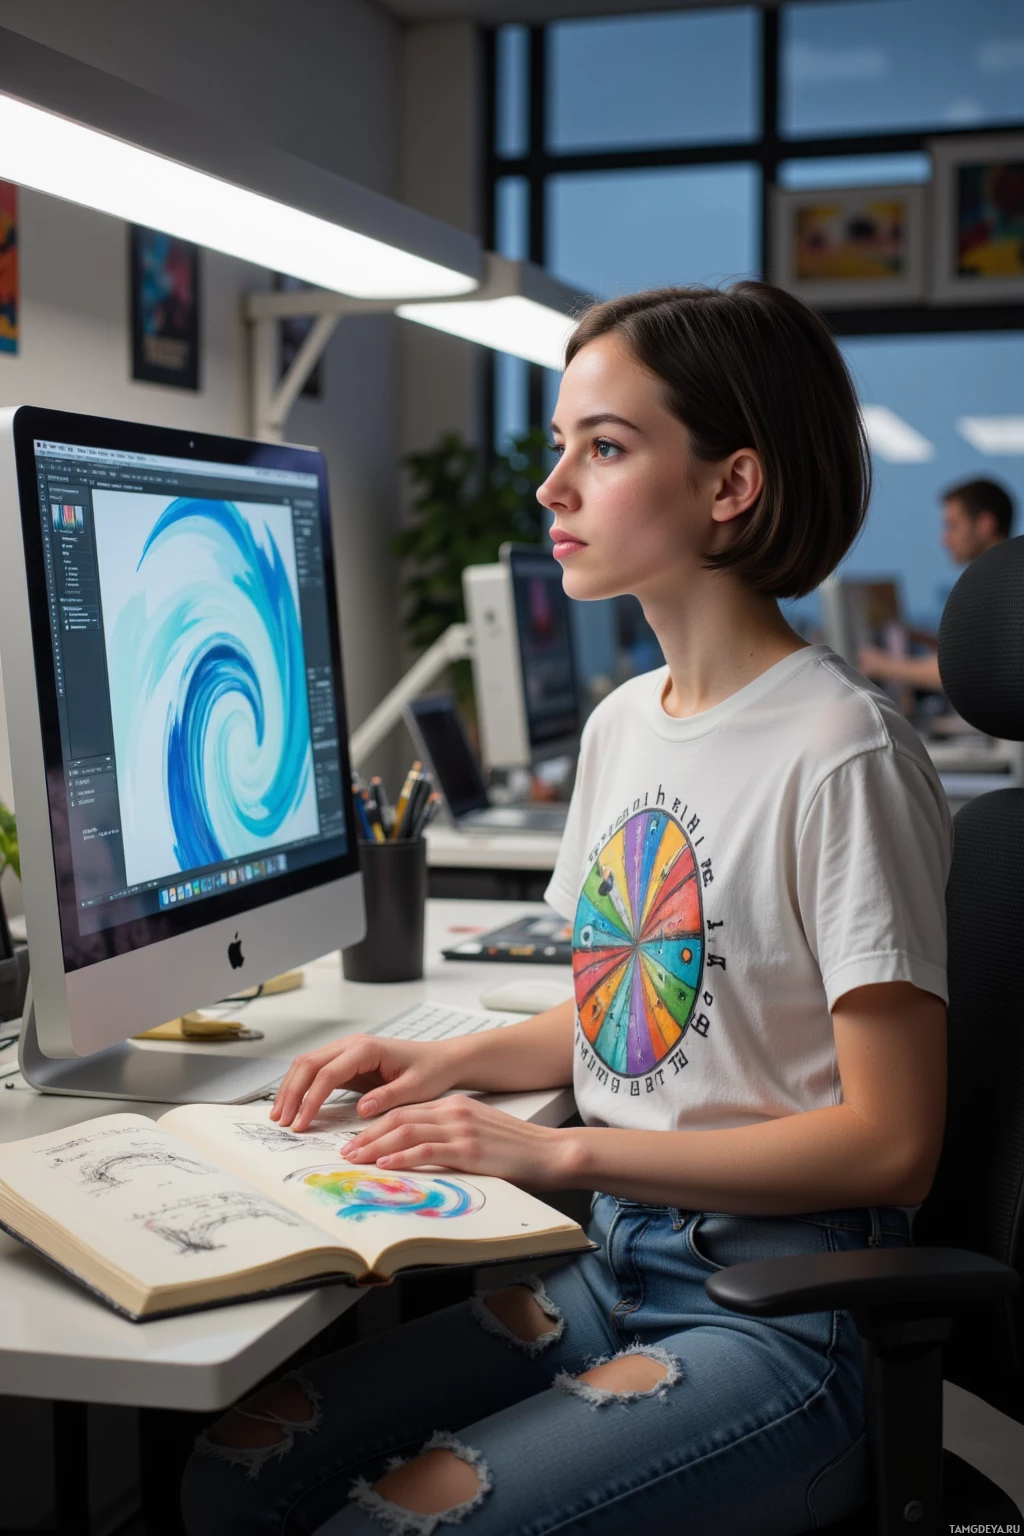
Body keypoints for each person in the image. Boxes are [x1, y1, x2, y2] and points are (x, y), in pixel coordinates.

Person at [181, 284, 951, 1536]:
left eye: (603, 447)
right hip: (606, 1274)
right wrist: (438, 1060)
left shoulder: (841, 755)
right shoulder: (622, 726)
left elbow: (890, 1144)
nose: (552, 489)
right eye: (559, 447)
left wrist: (559, 1153)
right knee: (236, 1470)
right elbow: (619, 1003)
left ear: (729, 485)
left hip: (780, 1313)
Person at [857, 477, 1015, 694]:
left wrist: (881, 665)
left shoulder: (1002, 586)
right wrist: (922, 638)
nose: (945, 539)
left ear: (986, 524)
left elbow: (964, 670)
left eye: (953, 526)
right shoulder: (1001, 580)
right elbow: (985, 653)